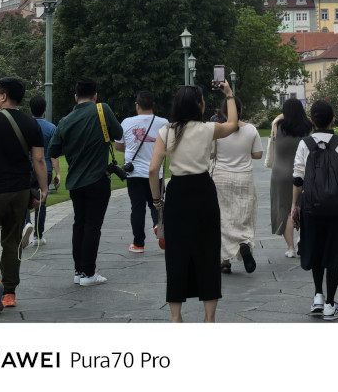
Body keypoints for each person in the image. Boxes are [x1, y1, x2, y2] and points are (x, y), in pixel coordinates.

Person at [148, 79, 238, 323]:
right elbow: (232, 124)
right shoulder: (208, 129)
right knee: (208, 252)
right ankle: (209, 318)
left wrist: (157, 201)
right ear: (199, 105)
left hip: (177, 192)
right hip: (203, 190)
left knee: (176, 254)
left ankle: (176, 317)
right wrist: (228, 94)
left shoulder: (166, 131)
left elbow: (153, 169)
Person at [0, 77, 48, 314]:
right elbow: (39, 159)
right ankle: (10, 293)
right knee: (12, 242)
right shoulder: (31, 124)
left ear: (3, 96)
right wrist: (43, 189)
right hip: (20, 193)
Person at [48, 77, 122, 286]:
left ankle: (79, 271)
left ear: (75, 96)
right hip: (97, 178)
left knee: (79, 224)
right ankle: (89, 272)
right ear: (95, 95)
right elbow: (118, 134)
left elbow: (53, 150)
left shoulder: (65, 121)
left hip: (75, 182)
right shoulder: (102, 109)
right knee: (92, 226)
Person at [291, 99, 338, 322]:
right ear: (333, 119)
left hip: (311, 206)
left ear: (312, 120)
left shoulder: (305, 144)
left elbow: (298, 178)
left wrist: (294, 206)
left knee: (316, 248)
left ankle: (318, 296)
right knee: (334, 251)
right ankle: (331, 304)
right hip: (337, 207)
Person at [211, 96, 263, 275]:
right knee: (244, 215)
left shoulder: (218, 130)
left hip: (221, 176)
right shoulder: (251, 130)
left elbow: (211, 155)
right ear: (240, 110)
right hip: (244, 176)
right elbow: (258, 154)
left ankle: (225, 261)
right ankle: (244, 243)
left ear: (224, 112)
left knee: (222, 217)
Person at [114, 90, 168, 252]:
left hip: (134, 173)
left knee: (137, 208)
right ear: (153, 105)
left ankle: (138, 244)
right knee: (156, 205)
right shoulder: (163, 122)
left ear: (137, 106)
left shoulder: (126, 122)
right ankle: (158, 226)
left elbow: (118, 145)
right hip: (155, 172)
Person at [269, 98, 311, 257]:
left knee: (285, 209)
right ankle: (301, 239)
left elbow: (277, 119)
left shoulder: (277, 126)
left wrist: (285, 114)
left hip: (280, 174)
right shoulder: (307, 128)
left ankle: (290, 248)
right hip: (302, 173)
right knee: (300, 207)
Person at [23, 94, 61, 247]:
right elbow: (53, 153)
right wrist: (57, 173)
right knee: (41, 200)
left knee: (24, 199)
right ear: (45, 109)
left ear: (30, 109)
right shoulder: (52, 128)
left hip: (27, 167)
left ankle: (26, 223)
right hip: (45, 167)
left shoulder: (25, 126)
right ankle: (38, 236)